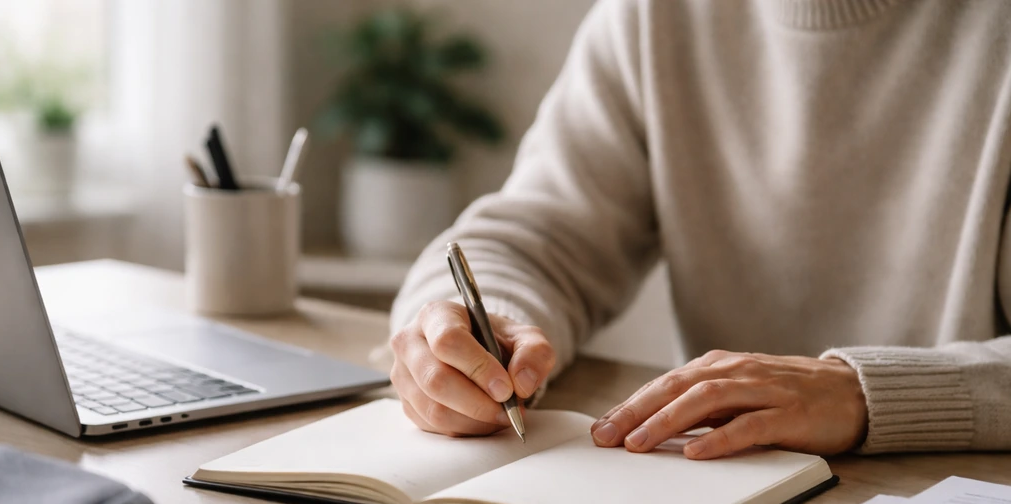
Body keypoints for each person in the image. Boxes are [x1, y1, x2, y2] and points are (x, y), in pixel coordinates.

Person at [388, 0, 1011, 460]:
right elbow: (538, 236)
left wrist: (863, 394)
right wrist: (473, 332)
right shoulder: (652, 17)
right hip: (721, 500)